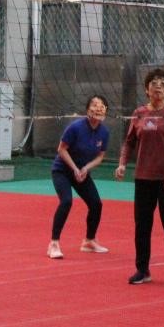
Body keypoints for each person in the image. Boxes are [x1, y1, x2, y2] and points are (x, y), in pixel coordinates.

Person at [116, 68, 164, 286]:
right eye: (154, 83)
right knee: (142, 225)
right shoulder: (139, 113)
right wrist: (122, 164)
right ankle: (142, 269)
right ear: (146, 89)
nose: (158, 87)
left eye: (163, 84)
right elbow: (129, 142)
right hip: (144, 178)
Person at [48, 94, 111, 259]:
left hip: (82, 172)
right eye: (94, 105)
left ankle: (89, 241)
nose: (98, 108)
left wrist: (85, 169)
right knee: (66, 201)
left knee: (96, 204)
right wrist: (75, 168)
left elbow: (100, 156)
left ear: (105, 110)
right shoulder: (75, 127)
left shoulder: (104, 132)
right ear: (88, 109)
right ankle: (54, 243)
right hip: (62, 170)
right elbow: (61, 149)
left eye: (101, 106)